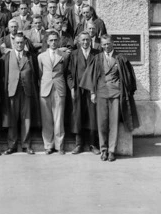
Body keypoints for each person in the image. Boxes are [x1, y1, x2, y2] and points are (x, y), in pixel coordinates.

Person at [80, 34, 139, 162]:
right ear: (101, 45)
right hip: (101, 93)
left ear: (113, 43)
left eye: (108, 43)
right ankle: (104, 150)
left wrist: (126, 92)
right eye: (104, 44)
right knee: (102, 123)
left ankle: (112, 150)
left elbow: (129, 77)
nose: (106, 46)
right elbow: (92, 77)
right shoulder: (97, 58)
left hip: (116, 94)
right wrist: (92, 93)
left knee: (113, 123)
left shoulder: (121, 58)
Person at [0, 33, 41, 155]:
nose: (19, 44)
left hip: (26, 91)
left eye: (21, 42)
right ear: (13, 43)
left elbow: (35, 75)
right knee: (12, 119)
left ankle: (26, 145)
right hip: (12, 91)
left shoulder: (30, 57)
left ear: (24, 43)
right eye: (17, 42)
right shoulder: (7, 57)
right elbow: (3, 75)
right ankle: (11, 145)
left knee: (26, 118)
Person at [67, 31, 100, 155]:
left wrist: (95, 91)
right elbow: (69, 74)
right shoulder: (74, 54)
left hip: (92, 90)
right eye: (83, 40)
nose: (85, 42)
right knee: (78, 116)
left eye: (87, 40)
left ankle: (93, 144)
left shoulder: (97, 54)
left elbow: (99, 74)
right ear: (79, 41)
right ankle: (79, 144)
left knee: (93, 117)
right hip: (78, 89)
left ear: (90, 40)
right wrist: (72, 88)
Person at [37, 31, 70, 155]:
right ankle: (48, 145)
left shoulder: (64, 56)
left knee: (59, 117)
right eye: (50, 40)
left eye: (55, 40)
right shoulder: (41, 56)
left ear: (59, 41)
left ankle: (59, 145)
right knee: (46, 118)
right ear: (47, 42)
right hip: (45, 87)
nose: (53, 42)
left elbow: (65, 70)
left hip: (59, 87)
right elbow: (40, 72)